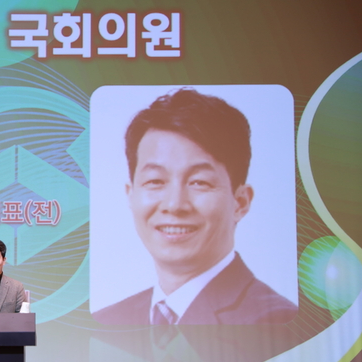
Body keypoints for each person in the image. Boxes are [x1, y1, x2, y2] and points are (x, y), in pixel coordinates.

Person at [93, 88, 297, 325]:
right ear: (131, 195)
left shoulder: (278, 324)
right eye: (155, 181)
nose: (174, 205)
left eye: (199, 182)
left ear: (240, 202)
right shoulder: (105, 323)